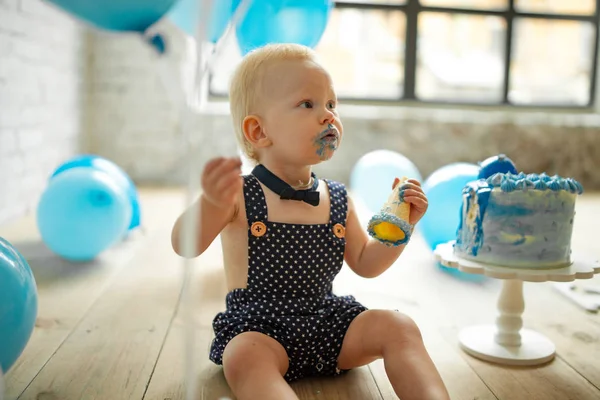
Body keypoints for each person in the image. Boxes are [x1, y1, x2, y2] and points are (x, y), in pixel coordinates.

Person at [171, 43, 450, 400]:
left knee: (399, 326)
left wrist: (403, 229)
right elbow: (184, 244)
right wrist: (210, 203)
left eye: (332, 104)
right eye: (308, 104)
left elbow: (366, 263)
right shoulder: (239, 194)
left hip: (327, 322)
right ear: (258, 132)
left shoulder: (337, 197)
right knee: (243, 357)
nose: (328, 115)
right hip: (261, 329)